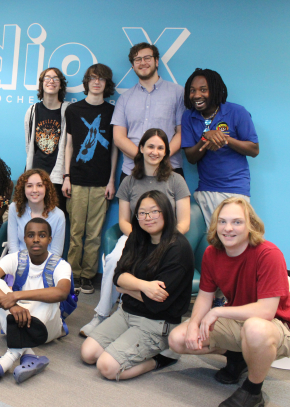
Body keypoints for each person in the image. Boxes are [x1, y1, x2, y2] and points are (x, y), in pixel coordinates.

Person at [169, 198, 290, 407]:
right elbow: (204, 296)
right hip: (239, 320)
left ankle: (253, 390)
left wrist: (218, 311)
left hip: (275, 327)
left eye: (237, 222)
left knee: (255, 329)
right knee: (178, 339)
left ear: (251, 224)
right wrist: (193, 324)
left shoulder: (269, 254)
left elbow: (266, 312)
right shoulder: (212, 253)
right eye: (223, 221)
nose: (228, 228)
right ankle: (238, 357)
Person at [81, 128, 191, 336]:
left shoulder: (176, 180)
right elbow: (123, 220)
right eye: (150, 146)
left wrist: (163, 240)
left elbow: (184, 222)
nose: (154, 151)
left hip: (168, 240)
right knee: (113, 260)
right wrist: (140, 238)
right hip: (136, 236)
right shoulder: (129, 181)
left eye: (160, 148)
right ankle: (102, 315)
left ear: (166, 152)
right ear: (141, 148)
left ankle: (141, 318)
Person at [81, 190, 194, 381]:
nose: (148, 218)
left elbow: (157, 303)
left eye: (154, 212)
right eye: (142, 213)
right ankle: (127, 347)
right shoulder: (137, 238)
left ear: (166, 212)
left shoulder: (179, 248)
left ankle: (163, 358)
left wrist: (126, 288)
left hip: (156, 322)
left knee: (107, 367)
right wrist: (144, 286)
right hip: (126, 313)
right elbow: (117, 277)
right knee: (88, 354)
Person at [0, 218, 72, 387]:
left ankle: (5, 362)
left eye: (42, 235)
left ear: (49, 239)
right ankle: (30, 355)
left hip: (46, 326)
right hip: (17, 315)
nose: (36, 239)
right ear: (24, 239)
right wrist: (13, 305)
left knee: (49, 297)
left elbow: (62, 292)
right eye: (30, 235)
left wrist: (16, 296)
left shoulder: (61, 265)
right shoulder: (16, 258)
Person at [62, 64, 117, 294]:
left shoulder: (112, 112)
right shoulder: (73, 110)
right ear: (87, 82)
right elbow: (69, 145)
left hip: (101, 183)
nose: (97, 82)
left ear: (107, 84)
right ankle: (73, 275)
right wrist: (66, 176)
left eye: (102, 79)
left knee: (94, 234)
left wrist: (112, 179)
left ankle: (88, 276)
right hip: (76, 180)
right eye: (93, 78)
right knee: (75, 232)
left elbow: (115, 148)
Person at [181, 68, 259, 227]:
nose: (197, 95)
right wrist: (205, 138)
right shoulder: (188, 116)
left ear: (215, 90)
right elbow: (190, 157)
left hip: (235, 191)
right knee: (208, 242)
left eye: (203, 90)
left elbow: (254, 149)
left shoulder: (237, 112)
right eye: (192, 91)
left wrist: (225, 139)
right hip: (205, 191)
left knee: (231, 241)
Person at [112, 43, 185, 183]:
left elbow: (182, 133)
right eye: (138, 59)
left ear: (156, 61)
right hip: (132, 172)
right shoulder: (124, 99)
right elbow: (119, 137)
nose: (143, 62)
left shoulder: (177, 93)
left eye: (147, 58)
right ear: (132, 66)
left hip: (170, 171)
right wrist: (145, 159)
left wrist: (160, 157)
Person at [24, 67, 70, 213]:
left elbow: (70, 146)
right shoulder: (32, 111)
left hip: (58, 176)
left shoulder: (68, 111)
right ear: (42, 84)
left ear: (61, 85)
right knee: (34, 217)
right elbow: (28, 144)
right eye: (47, 78)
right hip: (36, 172)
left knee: (55, 218)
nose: (51, 81)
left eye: (56, 78)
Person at [7, 169, 65, 256]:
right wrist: (19, 265)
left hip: (46, 265)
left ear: (46, 188)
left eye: (39, 185)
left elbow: (56, 253)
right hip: (19, 262)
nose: (34, 190)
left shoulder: (58, 215)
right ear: (23, 189)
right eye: (29, 186)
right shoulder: (14, 208)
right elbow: (13, 246)